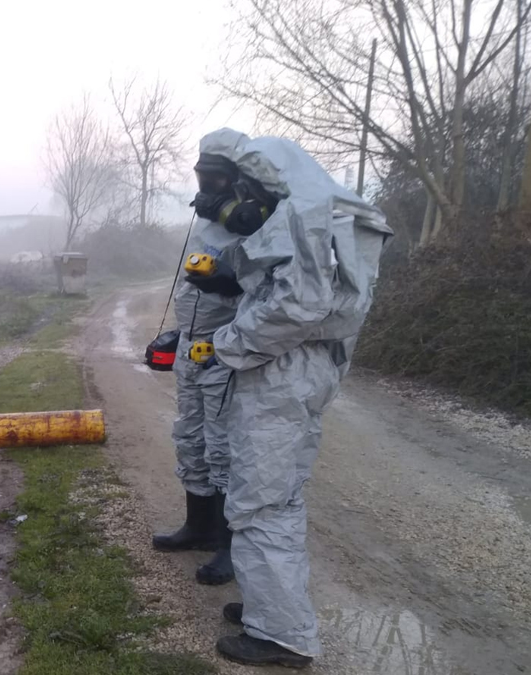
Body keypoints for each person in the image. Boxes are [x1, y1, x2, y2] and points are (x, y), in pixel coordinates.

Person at [202, 137, 392, 668]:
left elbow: (299, 305)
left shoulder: (304, 215)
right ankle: (272, 606)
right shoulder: (321, 210)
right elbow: (282, 278)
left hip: (282, 373)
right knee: (276, 494)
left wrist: (226, 346)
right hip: (304, 370)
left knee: (259, 501)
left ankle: (281, 634)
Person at [151, 128, 250, 587]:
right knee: (188, 437)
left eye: (215, 178)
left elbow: (266, 293)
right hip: (193, 350)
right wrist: (176, 333)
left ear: (236, 180)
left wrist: (231, 283)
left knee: (222, 446)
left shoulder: (257, 224)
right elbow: (193, 283)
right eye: (200, 176)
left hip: (225, 355)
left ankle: (231, 547)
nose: (204, 186)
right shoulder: (205, 225)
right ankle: (200, 525)